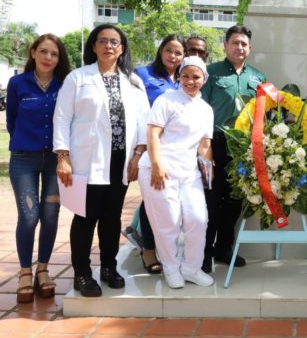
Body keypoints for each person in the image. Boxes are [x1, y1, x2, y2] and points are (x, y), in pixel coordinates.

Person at [53, 24, 149, 297]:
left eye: (115, 42)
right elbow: (61, 118)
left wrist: (138, 154)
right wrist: (63, 157)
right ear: (93, 46)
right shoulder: (77, 78)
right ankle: (81, 274)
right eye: (103, 40)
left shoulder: (132, 81)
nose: (109, 46)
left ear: (122, 49)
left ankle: (109, 267)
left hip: (121, 161)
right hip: (86, 161)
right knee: (85, 218)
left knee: (112, 218)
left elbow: (144, 120)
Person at [138, 56, 214, 289]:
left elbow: (204, 145)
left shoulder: (206, 108)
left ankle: (191, 268)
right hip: (159, 169)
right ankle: (171, 268)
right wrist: (157, 165)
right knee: (167, 222)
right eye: (185, 76)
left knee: (198, 220)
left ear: (204, 79)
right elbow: (152, 133)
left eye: (196, 77)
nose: (190, 81)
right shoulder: (166, 100)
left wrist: (208, 173)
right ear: (179, 76)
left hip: (189, 172)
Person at [6, 34, 71, 303]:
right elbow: (11, 122)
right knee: (30, 216)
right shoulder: (17, 83)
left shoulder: (65, 85)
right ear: (33, 53)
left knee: (51, 215)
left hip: (56, 159)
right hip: (24, 159)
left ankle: (43, 269)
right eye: (43, 52)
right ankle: (24, 271)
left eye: (54, 54)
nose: (48, 58)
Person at [200, 25, 266, 273]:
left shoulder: (258, 76)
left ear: (250, 48)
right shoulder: (210, 73)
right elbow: (201, 110)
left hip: (245, 147)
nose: (240, 47)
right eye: (235, 42)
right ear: (225, 45)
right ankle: (204, 252)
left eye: (244, 44)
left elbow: (265, 111)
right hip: (215, 144)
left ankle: (224, 249)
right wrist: (204, 148)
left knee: (235, 200)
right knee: (211, 200)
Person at [128, 34, 186, 274]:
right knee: (151, 200)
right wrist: (140, 148)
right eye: (169, 50)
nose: (173, 56)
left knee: (168, 201)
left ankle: (163, 248)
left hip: (178, 151)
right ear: (161, 50)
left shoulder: (184, 79)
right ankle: (148, 249)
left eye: (178, 53)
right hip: (150, 148)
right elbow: (135, 112)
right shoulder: (142, 75)